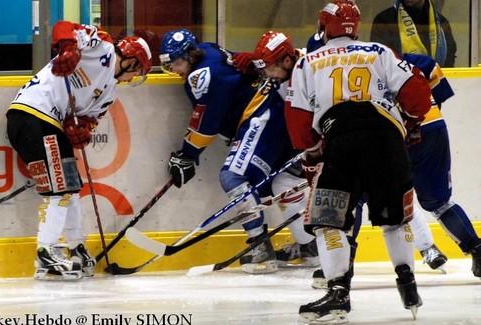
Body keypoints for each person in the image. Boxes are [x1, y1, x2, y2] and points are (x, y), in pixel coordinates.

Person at [286, 1, 432, 323]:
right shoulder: (380, 52)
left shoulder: (307, 62)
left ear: (324, 25)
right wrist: (408, 121)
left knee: (329, 220)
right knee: (395, 218)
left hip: (342, 142)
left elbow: (298, 125)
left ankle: (338, 292)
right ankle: (408, 283)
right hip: (387, 139)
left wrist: (313, 151)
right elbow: (418, 94)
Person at [159, 29, 319, 273]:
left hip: (262, 116)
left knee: (232, 177)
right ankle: (311, 246)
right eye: (171, 65)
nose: (176, 70)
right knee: (283, 183)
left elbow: (207, 122)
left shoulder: (201, 75)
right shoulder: (211, 49)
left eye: (178, 63)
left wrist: (187, 155)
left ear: (192, 55)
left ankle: (260, 248)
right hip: (278, 116)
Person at [6, 21, 152, 280]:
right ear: (130, 61)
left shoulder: (110, 92)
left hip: (50, 123)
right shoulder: (103, 47)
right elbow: (64, 26)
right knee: (59, 188)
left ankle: (76, 246)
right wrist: (69, 48)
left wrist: (82, 129)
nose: (133, 78)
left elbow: (88, 119)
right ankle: (46, 251)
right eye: (137, 71)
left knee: (71, 186)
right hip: (32, 115)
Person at [233, 31, 321, 267]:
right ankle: (310, 246)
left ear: (287, 60)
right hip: (313, 141)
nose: (268, 76)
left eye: (271, 68)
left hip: (336, 138)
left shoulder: (310, 71)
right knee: (282, 183)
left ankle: (329, 253)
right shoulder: (285, 73)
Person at [370, 0, 456, 67]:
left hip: (436, 84)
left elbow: (449, 58)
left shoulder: (441, 23)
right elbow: (381, 61)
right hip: (399, 86)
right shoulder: (384, 20)